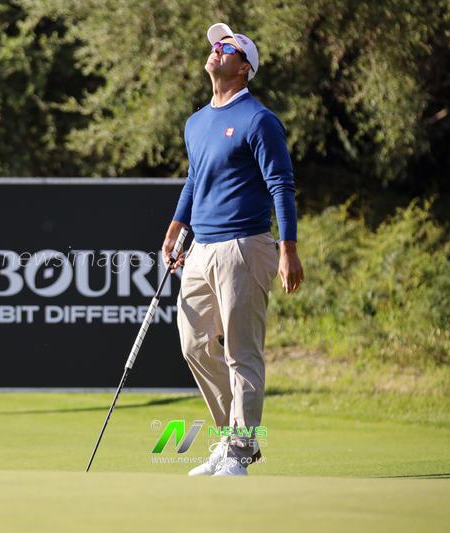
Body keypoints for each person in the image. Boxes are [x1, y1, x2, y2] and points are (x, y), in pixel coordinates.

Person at [162, 23, 305, 477]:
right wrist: (176, 227)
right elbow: (194, 179)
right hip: (202, 247)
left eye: (226, 47)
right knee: (194, 344)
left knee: (242, 352)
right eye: (214, 44)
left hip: (246, 245)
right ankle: (231, 441)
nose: (215, 50)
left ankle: (240, 453)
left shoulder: (259, 120)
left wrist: (288, 248)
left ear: (244, 68)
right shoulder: (196, 121)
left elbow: (280, 183)